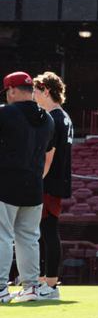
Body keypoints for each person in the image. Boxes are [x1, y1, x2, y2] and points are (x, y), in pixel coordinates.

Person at [0, 72, 50, 302]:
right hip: (34, 186)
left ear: (11, 90)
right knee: (29, 238)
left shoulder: (5, 112)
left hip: (6, 184)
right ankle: (30, 287)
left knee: (2, 236)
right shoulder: (47, 118)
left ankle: (1, 288)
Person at [31, 72, 72, 300]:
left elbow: (48, 158)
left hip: (48, 183)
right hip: (57, 182)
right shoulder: (63, 117)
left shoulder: (53, 118)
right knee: (44, 234)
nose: (33, 95)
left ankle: (50, 285)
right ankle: (42, 283)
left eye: (36, 90)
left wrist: (35, 182)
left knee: (47, 233)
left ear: (46, 91)